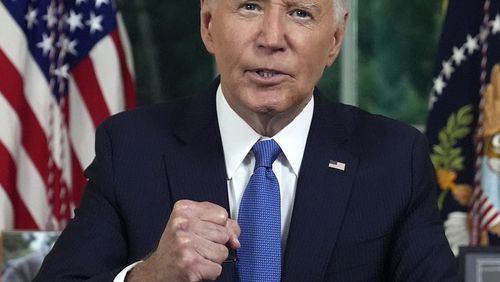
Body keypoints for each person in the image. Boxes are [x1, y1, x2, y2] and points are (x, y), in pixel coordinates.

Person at [34, 0, 459, 281]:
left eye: (300, 13)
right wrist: (149, 275)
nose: (271, 38)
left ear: (334, 40)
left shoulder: (394, 159)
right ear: (207, 25)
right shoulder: (130, 148)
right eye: (249, 6)